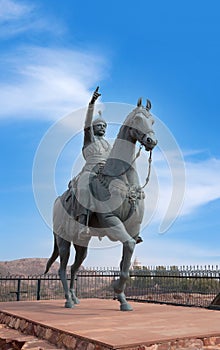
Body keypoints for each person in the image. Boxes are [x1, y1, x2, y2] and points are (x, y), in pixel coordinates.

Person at [74, 87, 112, 238]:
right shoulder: (90, 139)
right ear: (93, 129)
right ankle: (83, 223)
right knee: (84, 185)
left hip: (106, 172)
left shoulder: (108, 145)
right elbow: (86, 123)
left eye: (104, 126)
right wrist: (91, 104)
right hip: (90, 171)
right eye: (99, 126)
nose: (102, 128)